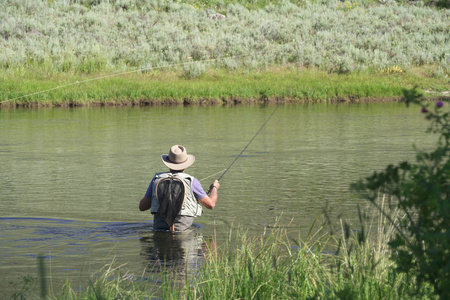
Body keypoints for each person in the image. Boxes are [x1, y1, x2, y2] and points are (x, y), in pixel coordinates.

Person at [139, 145, 220, 232]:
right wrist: (214, 188)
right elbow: (211, 204)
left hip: (159, 228)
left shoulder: (156, 179)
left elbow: (142, 207)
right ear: (185, 164)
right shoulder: (191, 181)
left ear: (168, 163)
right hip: (183, 229)